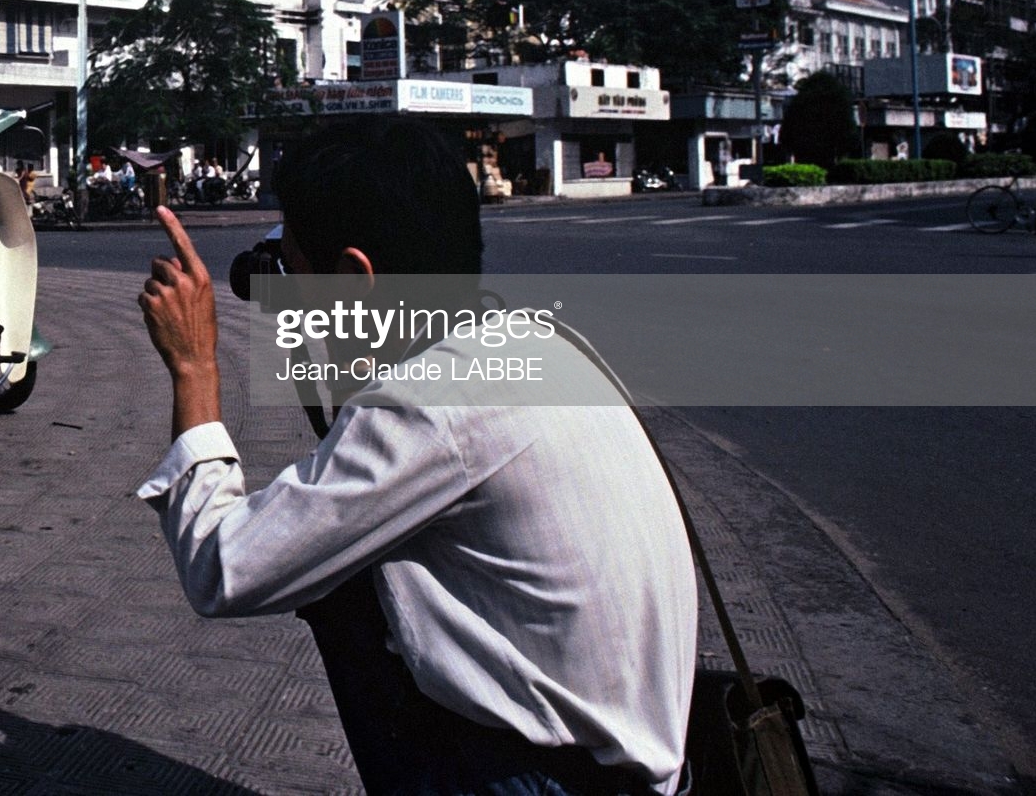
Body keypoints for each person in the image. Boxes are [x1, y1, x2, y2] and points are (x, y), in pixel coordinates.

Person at [134, 118, 695, 794]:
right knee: (348, 575)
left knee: (337, 587)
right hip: (637, 763)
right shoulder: (532, 347)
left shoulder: (432, 401)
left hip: (552, 782)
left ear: (353, 280)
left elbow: (222, 568)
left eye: (294, 268)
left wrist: (195, 365)